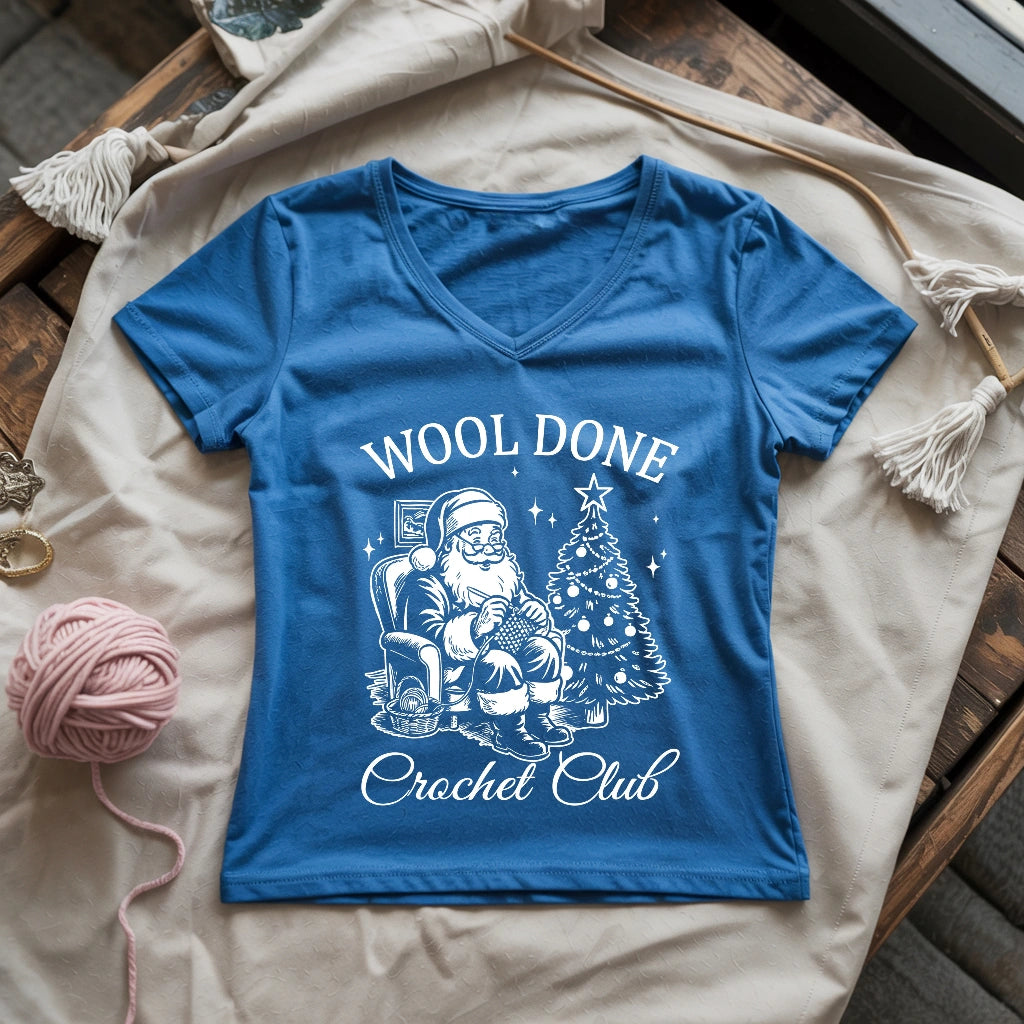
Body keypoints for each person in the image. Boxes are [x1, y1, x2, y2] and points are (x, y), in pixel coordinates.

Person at [400, 487, 571, 761]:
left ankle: (539, 717)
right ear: (451, 542)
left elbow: (524, 607)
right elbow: (427, 635)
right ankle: (510, 731)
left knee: (544, 649)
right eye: (475, 540)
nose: (488, 550)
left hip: (512, 647)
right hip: (461, 666)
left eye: (494, 539)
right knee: (499, 661)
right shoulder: (428, 583)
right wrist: (474, 628)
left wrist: (537, 614)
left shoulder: (506, 575)